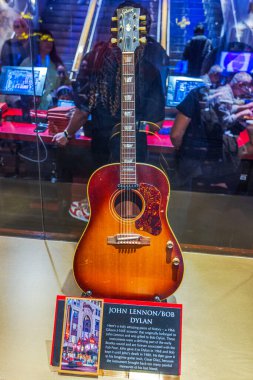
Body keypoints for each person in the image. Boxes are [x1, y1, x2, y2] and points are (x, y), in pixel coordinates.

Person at [52, 2, 165, 221]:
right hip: (134, 147)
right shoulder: (154, 62)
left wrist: (67, 133)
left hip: (103, 141)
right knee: (131, 205)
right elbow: (156, 121)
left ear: (114, 27)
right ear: (144, 29)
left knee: (102, 203)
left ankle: (99, 223)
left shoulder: (95, 58)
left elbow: (84, 108)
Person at [170, 72, 253, 193]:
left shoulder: (197, 94)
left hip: (193, 159)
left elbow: (175, 135)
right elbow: (226, 121)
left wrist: (181, 149)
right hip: (216, 156)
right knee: (248, 143)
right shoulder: (223, 95)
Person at [20, 29, 69, 109]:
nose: (49, 43)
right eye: (45, 40)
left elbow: (66, 85)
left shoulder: (57, 64)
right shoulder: (27, 63)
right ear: (37, 42)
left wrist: (63, 94)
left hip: (53, 109)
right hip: (31, 108)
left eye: (51, 40)